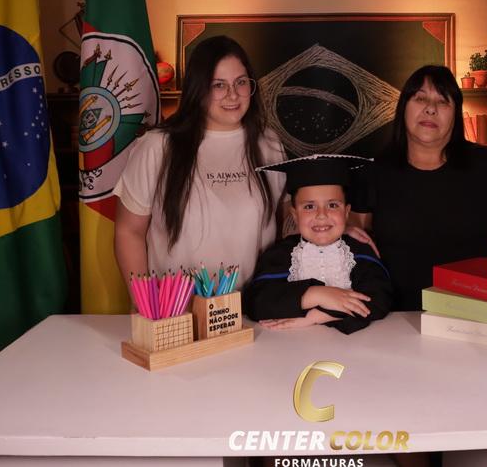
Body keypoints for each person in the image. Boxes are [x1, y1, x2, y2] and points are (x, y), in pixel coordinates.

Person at [113, 35, 286, 291]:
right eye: (218, 85)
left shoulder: (269, 143)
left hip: (251, 306)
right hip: (178, 307)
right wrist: (144, 300)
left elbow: (284, 219)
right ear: (198, 89)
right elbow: (129, 232)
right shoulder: (158, 146)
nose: (233, 95)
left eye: (241, 82)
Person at [349, 65, 487, 311]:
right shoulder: (373, 172)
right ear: (403, 107)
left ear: (456, 114)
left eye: (443, 101)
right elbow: (354, 236)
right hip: (395, 315)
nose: (431, 108)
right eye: (420, 98)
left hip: (472, 312)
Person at [244, 155, 393, 334]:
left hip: (354, 345)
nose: (321, 215)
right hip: (289, 345)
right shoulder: (279, 255)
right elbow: (257, 303)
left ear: (346, 212)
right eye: (309, 207)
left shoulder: (359, 253)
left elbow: (379, 299)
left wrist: (318, 316)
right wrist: (316, 294)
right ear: (295, 215)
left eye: (332, 205)